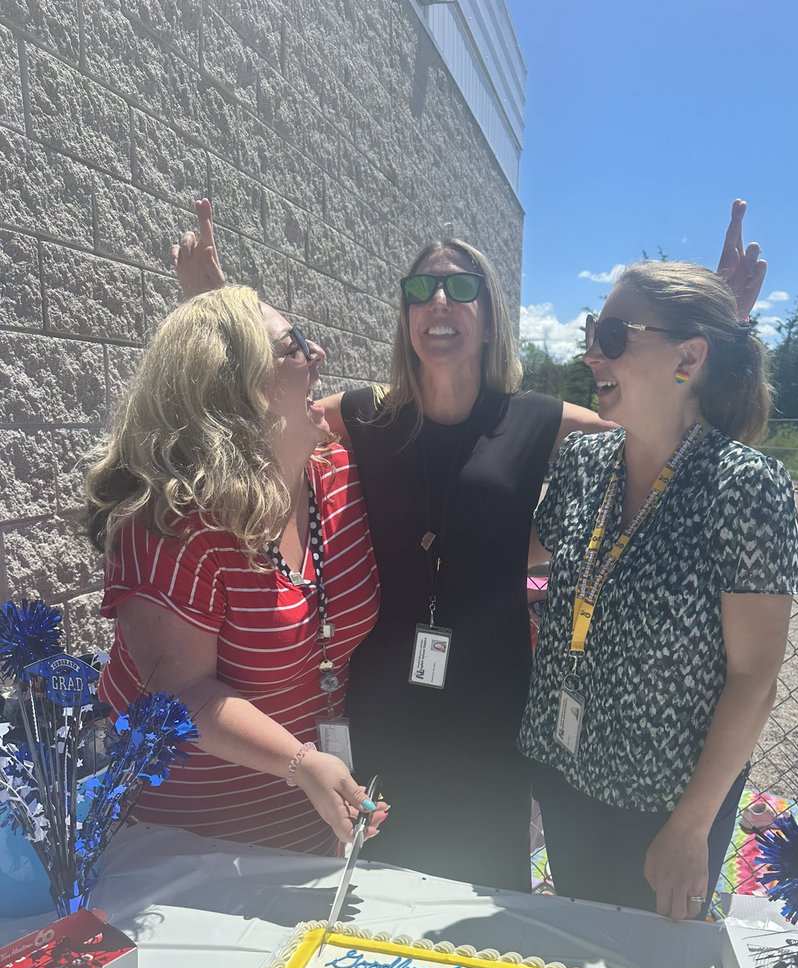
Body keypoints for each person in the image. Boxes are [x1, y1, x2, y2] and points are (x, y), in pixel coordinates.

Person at [172, 200, 767, 891]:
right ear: (406, 314)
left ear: (489, 316)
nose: (439, 302)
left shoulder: (537, 420)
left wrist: (718, 326)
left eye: (461, 287)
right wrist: (216, 305)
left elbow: (668, 430)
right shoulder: (365, 415)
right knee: (376, 887)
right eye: (421, 289)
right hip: (383, 698)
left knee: (490, 892)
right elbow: (265, 398)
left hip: (494, 703)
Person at [518, 261, 798, 921]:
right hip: (564, 773)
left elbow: (754, 678)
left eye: (614, 335)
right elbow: (513, 554)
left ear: (689, 358)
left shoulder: (745, 487)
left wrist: (691, 827)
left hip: (666, 808)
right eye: (592, 332)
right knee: (575, 955)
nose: (591, 353)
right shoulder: (583, 462)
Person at [82, 286, 387, 853]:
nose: (318, 353)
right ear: (236, 390)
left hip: (310, 823)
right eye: (294, 346)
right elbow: (179, 691)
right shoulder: (170, 523)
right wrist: (301, 761)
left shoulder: (338, 475)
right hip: (189, 845)